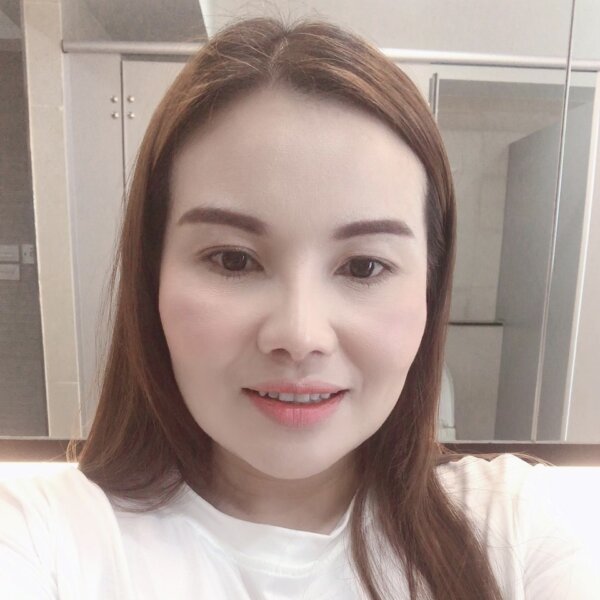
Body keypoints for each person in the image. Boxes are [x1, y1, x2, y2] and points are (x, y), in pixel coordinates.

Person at [0, 15, 598, 600]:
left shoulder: (523, 530)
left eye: (363, 267)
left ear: (430, 289)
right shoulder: (42, 539)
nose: (300, 333)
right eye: (233, 260)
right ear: (151, 276)